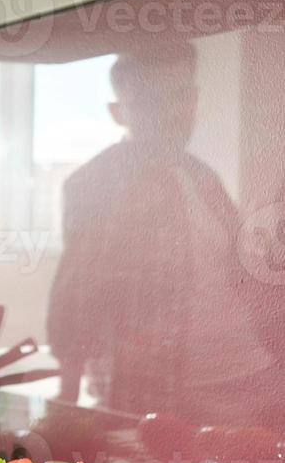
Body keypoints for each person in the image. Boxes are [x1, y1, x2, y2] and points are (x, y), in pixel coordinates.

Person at [47, 39, 277, 424]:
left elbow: (237, 274)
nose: (173, 112)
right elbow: (76, 295)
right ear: (118, 111)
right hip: (157, 391)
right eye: (155, 100)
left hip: (246, 373)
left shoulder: (202, 176)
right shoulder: (96, 182)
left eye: (182, 96)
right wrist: (66, 401)